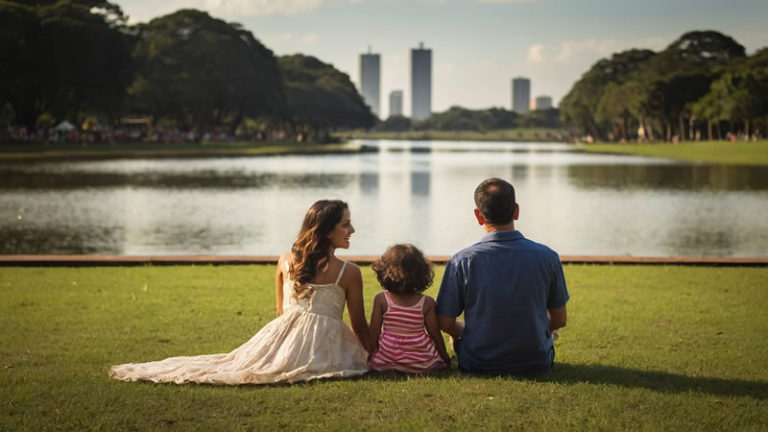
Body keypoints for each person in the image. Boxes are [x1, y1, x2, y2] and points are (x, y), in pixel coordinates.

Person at [109, 200, 372, 384]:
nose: (352, 230)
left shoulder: (285, 260)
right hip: (320, 347)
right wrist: (376, 355)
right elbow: (359, 326)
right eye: (346, 225)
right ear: (327, 232)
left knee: (237, 364)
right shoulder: (349, 272)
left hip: (280, 338)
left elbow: (281, 313)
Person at [436, 178, 569, 374]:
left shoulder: (461, 261)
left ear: (478, 216)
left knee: (457, 334)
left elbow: (445, 322)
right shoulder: (548, 257)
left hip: (478, 362)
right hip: (535, 361)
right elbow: (559, 320)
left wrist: (464, 332)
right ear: (516, 211)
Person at [368, 244, 450, 373]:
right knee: (429, 357)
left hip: (388, 356)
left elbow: (374, 329)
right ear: (422, 272)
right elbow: (434, 332)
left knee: (383, 357)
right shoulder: (426, 302)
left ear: (385, 271)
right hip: (420, 357)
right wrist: (444, 356)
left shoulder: (382, 299)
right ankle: (415, 364)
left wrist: (371, 354)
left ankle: (391, 364)